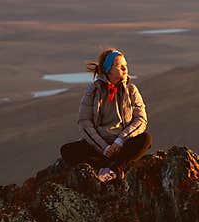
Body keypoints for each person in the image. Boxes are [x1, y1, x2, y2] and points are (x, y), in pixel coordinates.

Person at [60, 48, 152, 182]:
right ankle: (104, 167)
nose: (125, 69)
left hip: (123, 143)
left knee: (145, 139)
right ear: (108, 69)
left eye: (125, 65)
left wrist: (120, 141)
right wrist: (105, 147)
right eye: (119, 66)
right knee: (67, 150)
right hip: (99, 146)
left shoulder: (132, 90)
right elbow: (84, 122)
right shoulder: (94, 90)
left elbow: (141, 120)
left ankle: (115, 170)